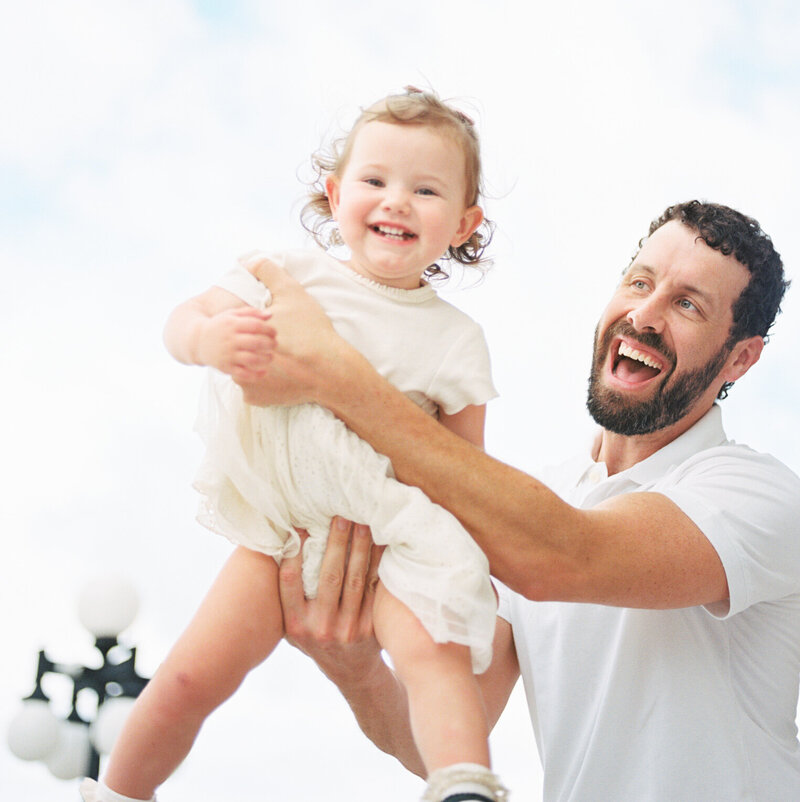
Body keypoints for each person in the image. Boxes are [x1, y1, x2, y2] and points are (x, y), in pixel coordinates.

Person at [235, 200, 800, 802]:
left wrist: (342, 381)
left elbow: (564, 557)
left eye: (688, 304)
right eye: (640, 282)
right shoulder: (540, 505)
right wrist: (355, 670)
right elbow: (447, 737)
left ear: (740, 357)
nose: (645, 314)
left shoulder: (758, 494)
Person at [79, 88, 510, 802]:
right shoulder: (289, 276)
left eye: (425, 189)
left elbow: (470, 472)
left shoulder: (456, 340)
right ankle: (119, 794)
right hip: (279, 530)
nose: (396, 201)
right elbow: (182, 317)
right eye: (375, 181)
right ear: (337, 193)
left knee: (434, 657)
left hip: (390, 541)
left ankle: (463, 784)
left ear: (465, 224)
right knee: (189, 675)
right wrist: (205, 339)